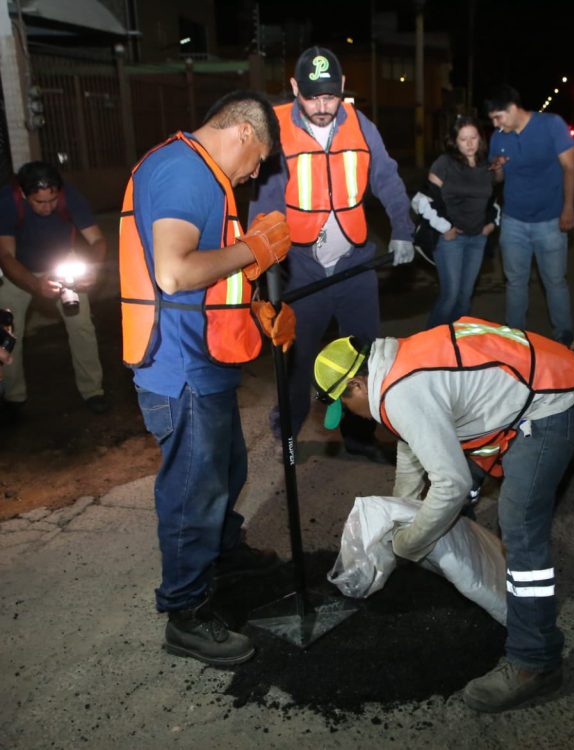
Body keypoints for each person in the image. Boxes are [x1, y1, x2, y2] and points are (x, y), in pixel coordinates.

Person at [313, 317, 574, 712]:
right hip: (533, 377)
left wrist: (411, 541)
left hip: (548, 403)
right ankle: (470, 565)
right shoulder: (394, 361)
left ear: (356, 386)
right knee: (454, 496)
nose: (352, 415)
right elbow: (412, 445)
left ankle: (536, 661)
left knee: (519, 526)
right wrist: (399, 517)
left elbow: (450, 484)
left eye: (346, 407)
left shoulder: (401, 392)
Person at [121, 90, 295, 666]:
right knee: (195, 489)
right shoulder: (182, 171)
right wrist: (251, 252)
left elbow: (206, 274)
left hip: (205, 359)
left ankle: (221, 552)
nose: (254, 175)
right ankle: (186, 611)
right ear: (244, 132)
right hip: (180, 366)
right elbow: (175, 272)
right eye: (261, 161)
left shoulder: (197, 173)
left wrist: (252, 308)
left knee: (226, 469)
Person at [251, 46, 415, 463]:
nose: (322, 107)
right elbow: (265, 203)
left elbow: (387, 178)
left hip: (355, 263)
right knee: (297, 360)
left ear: (342, 87)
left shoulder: (361, 125)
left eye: (330, 97)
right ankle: (287, 432)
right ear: (294, 89)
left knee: (363, 356)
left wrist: (403, 229)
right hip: (303, 269)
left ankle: (360, 438)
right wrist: (261, 264)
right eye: (311, 98)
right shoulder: (277, 129)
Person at [0, 161, 110, 417]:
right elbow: (6, 256)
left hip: (62, 263)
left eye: (52, 199)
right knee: (7, 329)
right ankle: (13, 395)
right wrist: (36, 285)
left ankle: (93, 390)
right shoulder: (7, 201)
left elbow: (98, 239)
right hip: (20, 268)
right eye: (40, 202)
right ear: (25, 194)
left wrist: (93, 267)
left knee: (82, 325)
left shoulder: (69, 195)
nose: (48, 207)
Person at [485, 85, 574, 346]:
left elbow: (570, 167)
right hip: (513, 220)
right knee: (515, 281)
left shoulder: (552, 125)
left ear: (513, 109)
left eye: (498, 117)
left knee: (555, 281)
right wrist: (496, 169)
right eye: (492, 119)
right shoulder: (499, 137)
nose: (495, 124)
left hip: (550, 220)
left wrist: (568, 207)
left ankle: (563, 334)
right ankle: (515, 335)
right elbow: (497, 178)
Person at [411, 116, 499, 328]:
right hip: (452, 240)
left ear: (480, 139)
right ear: (454, 142)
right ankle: (429, 344)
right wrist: (445, 227)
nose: (469, 143)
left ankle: (456, 345)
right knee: (450, 295)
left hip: (477, 239)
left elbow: (494, 200)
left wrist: (493, 223)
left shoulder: (486, 166)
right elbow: (420, 200)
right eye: (463, 139)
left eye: (473, 138)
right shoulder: (445, 164)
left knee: (465, 296)